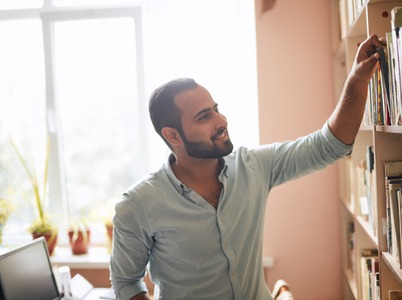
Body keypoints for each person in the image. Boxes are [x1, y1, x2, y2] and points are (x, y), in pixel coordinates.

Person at [109, 34, 385, 300]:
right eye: (204, 116)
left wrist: (357, 79)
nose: (222, 121)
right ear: (172, 136)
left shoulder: (252, 166)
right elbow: (126, 282)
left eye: (216, 109)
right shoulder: (138, 204)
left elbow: (328, 145)